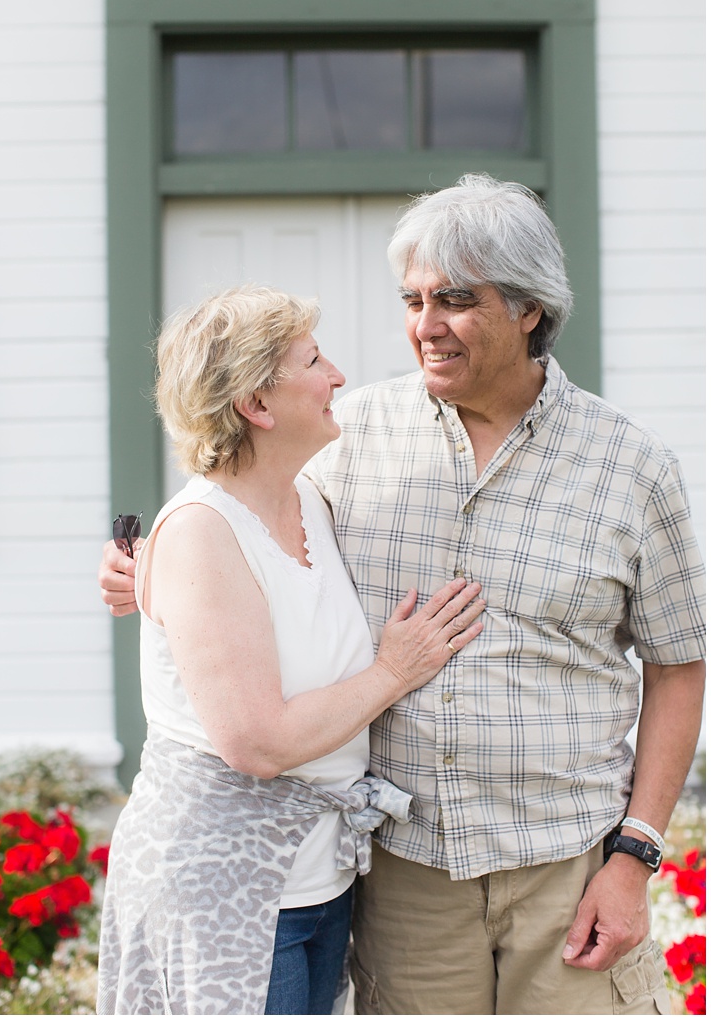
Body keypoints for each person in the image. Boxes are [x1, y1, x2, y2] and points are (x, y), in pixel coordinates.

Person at [99, 174, 706, 1014]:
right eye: (414, 299)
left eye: (455, 299)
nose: (425, 326)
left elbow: (679, 664)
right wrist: (147, 565)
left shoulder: (632, 468)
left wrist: (635, 857)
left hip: (566, 869)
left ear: (529, 308)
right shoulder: (351, 438)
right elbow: (230, 503)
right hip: (405, 881)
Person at [95, 284, 487, 1015]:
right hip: (222, 890)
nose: (338, 375)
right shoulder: (202, 532)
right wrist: (396, 670)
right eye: (313, 360)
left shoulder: (307, 497)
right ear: (257, 406)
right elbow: (257, 742)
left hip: (319, 881)